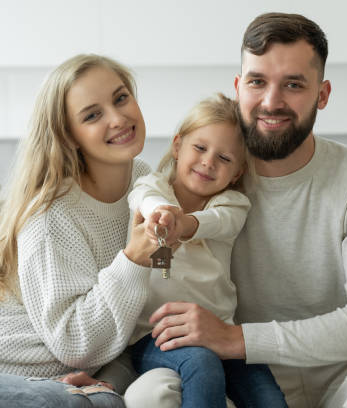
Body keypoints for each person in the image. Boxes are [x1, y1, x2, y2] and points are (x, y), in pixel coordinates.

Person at [124, 12, 347, 408]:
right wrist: (105, 374)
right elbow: (128, 289)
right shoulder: (199, 177)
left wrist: (237, 338)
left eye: (293, 85)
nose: (271, 101)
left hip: (346, 381)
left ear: (322, 94)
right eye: (257, 81)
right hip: (235, 382)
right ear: (238, 87)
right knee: (151, 393)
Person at [0, 54, 158, 408]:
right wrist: (134, 259)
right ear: (69, 135)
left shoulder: (146, 185)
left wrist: (108, 380)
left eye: (121, 98)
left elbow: (132, 322)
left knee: (104, 402)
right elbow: (75, 343)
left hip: (9, 375)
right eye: (93, 115)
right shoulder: (52, 213)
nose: (118, 118)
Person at [112, 93, 285, 407]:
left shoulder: (232, 203)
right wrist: (161, 215)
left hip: (221, 332)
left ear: (237, 173)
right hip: (154, 336)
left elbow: (220, 222)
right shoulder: (152, 186)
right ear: (178, 146)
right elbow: (144, 199)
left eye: (225, 158)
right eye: (200, 148)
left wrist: (185, 224)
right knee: (200, 365)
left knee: (267, 396)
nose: (208, 162)